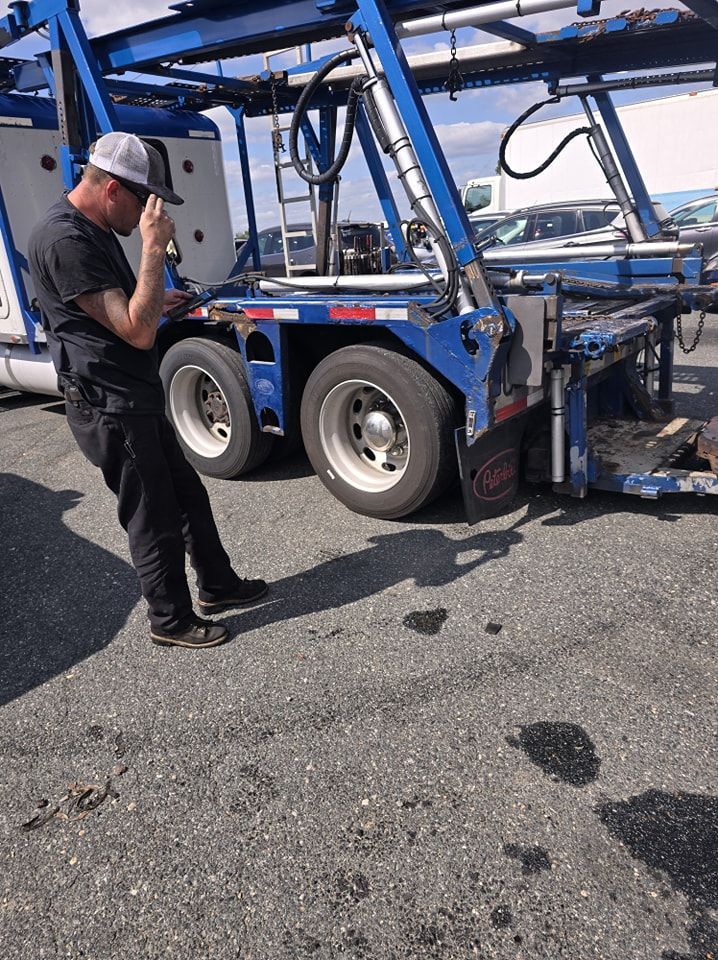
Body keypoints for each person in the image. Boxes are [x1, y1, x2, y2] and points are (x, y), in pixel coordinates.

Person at [28, 132, 267, 649]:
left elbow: (123, 311)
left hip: (133, 392)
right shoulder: (65, 240)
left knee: (186, 496)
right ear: (113, 189)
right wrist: (154, 249)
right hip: (108, 401)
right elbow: (135, 330)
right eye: (144, 200)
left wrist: (158, 299)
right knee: (152, 514)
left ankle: (218, 586)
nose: (148, 213)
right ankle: (171, 621)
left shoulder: (93, 225)